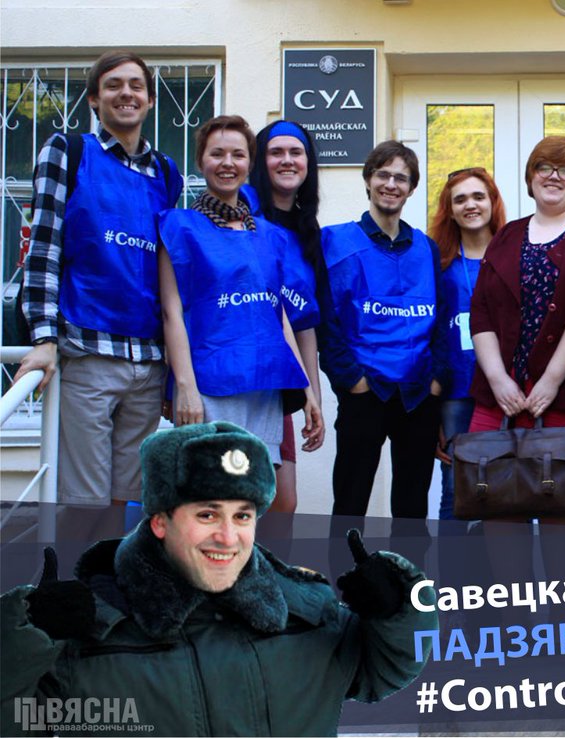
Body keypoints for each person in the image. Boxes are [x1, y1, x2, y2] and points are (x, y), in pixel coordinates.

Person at [0, 422, 437, 736]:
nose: (228, 538)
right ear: (160, 521)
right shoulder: (87, 632)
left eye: (242, 516)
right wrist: (21, 640)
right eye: (207, 514)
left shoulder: (307, 613)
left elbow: (387, 670)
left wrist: (400, 606)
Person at [15, 50, 183, 508]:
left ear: (150, 100)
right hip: (88, 352)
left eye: (136, 85)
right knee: (82, 502)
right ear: (94, 99)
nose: (126, 93)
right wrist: (44, 338)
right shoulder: (69, 152)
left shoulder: (166, 173)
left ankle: (105, 562)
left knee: (125, 502)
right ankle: (73, 561)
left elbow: (167, 272)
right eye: (113, 85)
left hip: (149, 361)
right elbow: (44, 248)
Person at [468, 135, 565, 615]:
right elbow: (480, 312)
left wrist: (550, 380)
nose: (554, 176)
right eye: (544, 167)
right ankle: (516, 625)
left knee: (557, 512)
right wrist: (498, 380)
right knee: (498, 513)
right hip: (499, 398)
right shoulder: (507, 235)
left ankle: (562, 625)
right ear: (530, 177)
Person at [158, 115, 322, 467]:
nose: (228, 163)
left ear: (250, 163)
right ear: (200, 160)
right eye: (217, 154)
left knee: (255, 491)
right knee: (212, 489)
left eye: (238, 155)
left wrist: (307, 389)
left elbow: (279, 317)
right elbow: (171, 313)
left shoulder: (270, 235)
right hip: (210, 387)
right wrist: (184, 386)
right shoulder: (178, 226)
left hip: (265, 387)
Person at [317, 140, 448, 519]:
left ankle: (406, 565)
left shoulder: (426, 247)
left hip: (417, 394)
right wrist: (351, 380)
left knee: (412, 510)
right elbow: (326, 319)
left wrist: (437, 380)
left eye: (401, 178)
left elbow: (441, 319)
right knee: (350, 504)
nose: (391, 184)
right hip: (365, 391)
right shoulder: (335, 241)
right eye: (383, 175)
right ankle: (345, 564)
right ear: (368, 180)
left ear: (412, 188)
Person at [245, 119, 326, 513]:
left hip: (280, 386)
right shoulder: (241, 211)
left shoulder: (308, 231)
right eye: (276, 152)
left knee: (282, 503)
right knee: (239, 500)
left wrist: (315, 398)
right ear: (260, 161)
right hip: (237, 376)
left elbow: (303, 322)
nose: (287, 160)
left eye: (296, 152)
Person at [427, 167, 507, 519]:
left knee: (512, 494)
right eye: (460, 199)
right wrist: (432, 412)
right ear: (450, 210)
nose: (470, 205)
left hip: (507, 395)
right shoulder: (438, 264)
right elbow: (428, 333)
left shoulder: (514, 258)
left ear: (492, 202)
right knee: (456, 495)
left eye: (478, 196)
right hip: (455, 395)